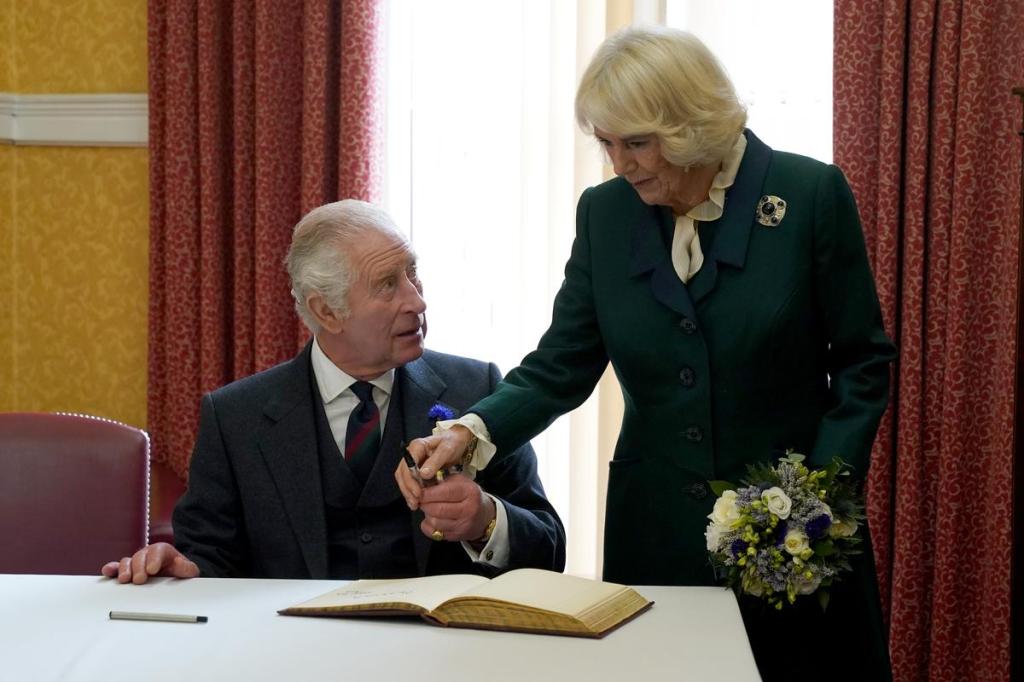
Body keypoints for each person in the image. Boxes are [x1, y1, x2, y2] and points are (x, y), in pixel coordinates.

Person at [396, 26, 895, 681]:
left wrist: (817, 502)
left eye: (637, 143)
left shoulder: (809, 196)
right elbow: (561, 363)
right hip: (655, 534)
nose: (620, 163)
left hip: (794, 535)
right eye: (606, 144)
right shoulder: (606, 214)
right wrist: (471, 430)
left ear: (692, 125)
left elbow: (863, 364)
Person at [102, 199, 565, 584]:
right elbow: (211, 560)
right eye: (388, 284)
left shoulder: (478, 391)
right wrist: (182, 571)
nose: (417, 301)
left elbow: (551, 551)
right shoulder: (235, 418)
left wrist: (486, 520)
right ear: (327, 311)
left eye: (412, 273)